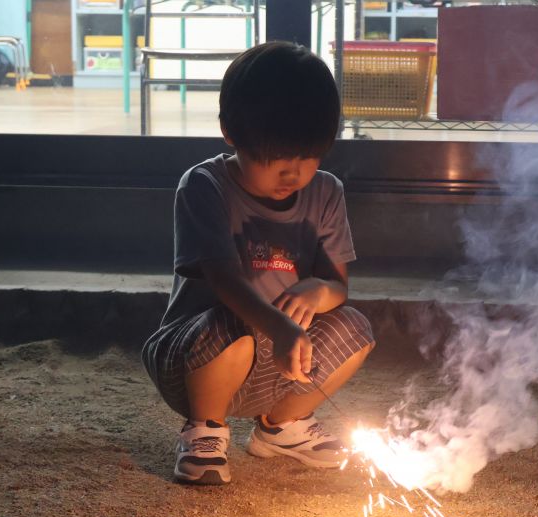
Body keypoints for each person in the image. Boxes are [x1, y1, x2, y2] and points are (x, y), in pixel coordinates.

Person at [143, 41, 375, 485]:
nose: (293, 174)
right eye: (275, 160)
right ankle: (205, 429)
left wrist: (320, 290)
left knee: (355, 328)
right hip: (197, 358)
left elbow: (338, 285)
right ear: (231, 133)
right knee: (231, 332)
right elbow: (223, 279)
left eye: (308, 158)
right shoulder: (204, 186)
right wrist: (281, 327)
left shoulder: (326, 193)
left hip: (279, 360)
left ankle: (281, 427)